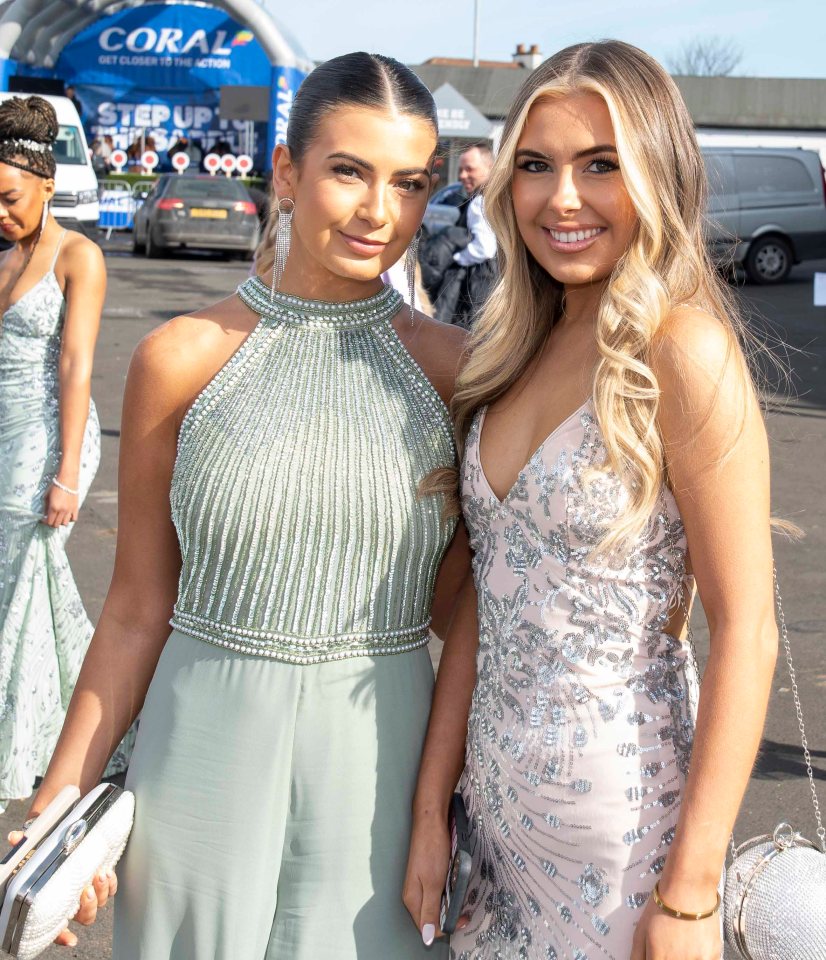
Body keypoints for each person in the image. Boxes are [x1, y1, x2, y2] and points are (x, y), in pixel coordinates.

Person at [22, 52, 468, 959]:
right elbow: (137, 607)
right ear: (287, 174)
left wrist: (439, 809)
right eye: (349, 171)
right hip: (198, 750)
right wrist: (57, 807)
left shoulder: (458, 372)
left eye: (410, 183)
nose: (379, 211)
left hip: (381, 760)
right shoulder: (179, 358)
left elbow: (467, 619)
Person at [405, 41, 778, 960]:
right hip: (490, 834)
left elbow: (747, 630)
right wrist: (429, 810)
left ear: (656, 174)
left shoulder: (681, 350)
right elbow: (481, 613)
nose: (560, 198)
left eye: (599, 165)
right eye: (535, 166)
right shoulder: (512, 349)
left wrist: (690, 893)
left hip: (621, 846)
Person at [0, 96, 129, 814]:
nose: (2, 213)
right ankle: (83, 728)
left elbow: (77, 366)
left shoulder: (79, 256)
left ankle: (36, 743)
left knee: (23, 587)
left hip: (51, 438)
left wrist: (64, 474)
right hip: (2, 430)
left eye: (10, 199)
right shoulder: (3, 254)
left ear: (47, 182)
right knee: (25, 595)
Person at [429, 144, 497, 328]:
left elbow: (484, 248)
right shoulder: (499, 198)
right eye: (461, 170)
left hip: (478, 291)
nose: (462, 175)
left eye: (469, 169)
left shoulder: (480, 202)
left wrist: (458, 258)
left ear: (489, 168)